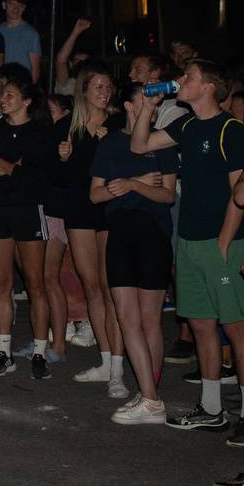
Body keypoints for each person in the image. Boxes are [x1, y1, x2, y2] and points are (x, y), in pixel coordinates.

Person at [126, 58, 244, 436]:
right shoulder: (187, 124)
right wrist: (146, 109)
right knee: (200, 325)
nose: (180, 81)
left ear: (209, 86)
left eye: (188, 77)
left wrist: (226, 244)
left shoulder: (233, 131)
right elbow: (140, 145)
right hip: (190, 240)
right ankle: (211, 408)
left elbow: (240, 196)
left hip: (221, 242)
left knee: (237, 330)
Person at [94, 84, 180, 424]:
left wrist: (132, 185)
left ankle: (150, 395)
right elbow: (96, 196)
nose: (154, 106)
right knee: (127, 319)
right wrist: (134, 182)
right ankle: (149, 396)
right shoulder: (111, 143)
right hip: (119, 233)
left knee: (149, 320)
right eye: (146, 99)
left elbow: (168, 196)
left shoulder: (162, 142)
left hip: (152, 235)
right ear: (129, 105)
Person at [0, 76, 53, 379]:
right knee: (1, 283)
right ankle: (4, 352)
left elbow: (37, 177)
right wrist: (11, 168)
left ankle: (39, 351)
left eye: (10, 94)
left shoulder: (39, 133)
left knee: (35, 283)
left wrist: (6, 167)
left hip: (28, 210)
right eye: (3, 94)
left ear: (27, 101)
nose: (3, 98)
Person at [49, 66, 120, 391]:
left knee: (110, 288)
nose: (104, 91)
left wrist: (115, 145)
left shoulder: (120, 123)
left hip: (111, 209)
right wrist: (62, 159)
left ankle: (117, 366)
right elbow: (60, 181)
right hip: (79, 211)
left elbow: (135, 162)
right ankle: (106, 361)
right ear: (84, 90)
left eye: (108, 86)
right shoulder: (67, 126)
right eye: (98, 85)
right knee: (91, 285)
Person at [0, 0, 43, 83]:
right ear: (4, 5)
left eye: (19, 5)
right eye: (12, 4)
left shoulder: (31, 33)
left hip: (21, 86)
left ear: (24, 8)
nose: (15, 9)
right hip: (0, 84)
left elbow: (35, 69)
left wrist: (32, 91)